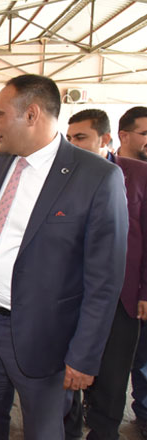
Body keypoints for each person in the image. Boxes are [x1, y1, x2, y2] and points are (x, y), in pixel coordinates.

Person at [0, 74, 129, 440]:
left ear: (32, 114)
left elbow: (104, 280)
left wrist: (84, 355)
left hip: (47, 340)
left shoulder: (97, 177)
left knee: (44, 432)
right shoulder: (0, 164)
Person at [63, 109, 147, 440]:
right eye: (69, 138)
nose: (73, 144)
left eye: (81, 137)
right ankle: (68, 431)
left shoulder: (137, 175)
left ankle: (104, 431)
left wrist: (144, 291)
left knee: (112, 376)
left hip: (120, 297)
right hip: (70, 294)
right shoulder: (63, 176)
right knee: (66, 375)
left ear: (106, 139)